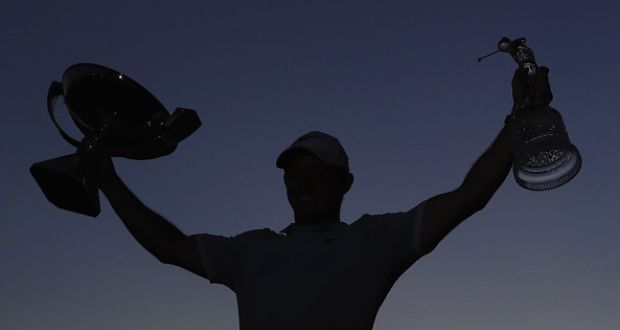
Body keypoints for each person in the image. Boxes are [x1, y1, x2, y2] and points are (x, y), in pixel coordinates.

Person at [96, 67, 552, 330]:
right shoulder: (250, 250)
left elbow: (469, 196)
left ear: (344, 184)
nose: (303, 181)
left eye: (317, 172)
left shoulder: (376, 240)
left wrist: (520, 118)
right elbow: (168, 247)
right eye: (295, 173)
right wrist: (108, 178)